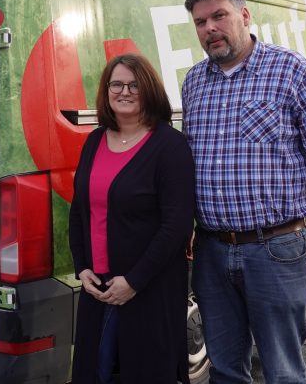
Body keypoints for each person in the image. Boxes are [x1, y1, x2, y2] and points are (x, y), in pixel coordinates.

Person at [181, 0, 306, 383]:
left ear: (244, 16)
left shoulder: (290, 70)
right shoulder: (194, 83)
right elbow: (190, 164)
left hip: (275, 248)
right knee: (226, 369)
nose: (209, 28)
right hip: (212, 251)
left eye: (219, 16)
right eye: (200, 22)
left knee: (282, 370)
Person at [68, 53, 195, 383]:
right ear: (106, 91)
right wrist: (82, 267)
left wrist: (134, 281)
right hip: (98, 288)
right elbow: (80, 210)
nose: (124, 92)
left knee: (145, 373)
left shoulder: (170, 146)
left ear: (149, 90)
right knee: (96, 372)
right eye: (116, 84)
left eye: (134, 85)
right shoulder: (95, 140)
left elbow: (177, 226)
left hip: (148, 290)